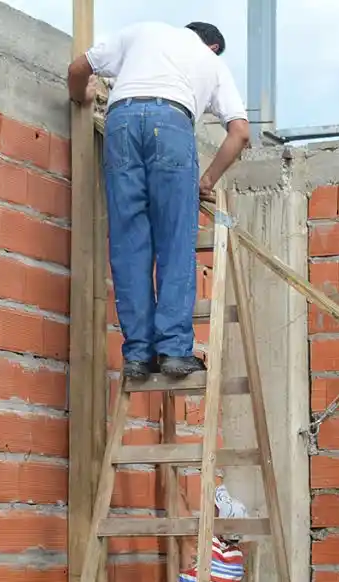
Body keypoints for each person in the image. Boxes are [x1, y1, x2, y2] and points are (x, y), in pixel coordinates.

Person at [67, 21, 251, 380]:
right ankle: (173, 351)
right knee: (174, 242)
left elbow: (78, 69)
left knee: (129, 244)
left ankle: (137, 356)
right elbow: (240, 132)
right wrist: (208, 180)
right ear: (213, 46)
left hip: (120, 122)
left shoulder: (141, 33)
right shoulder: (209, 60)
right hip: (170, 124)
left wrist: (81, 97)